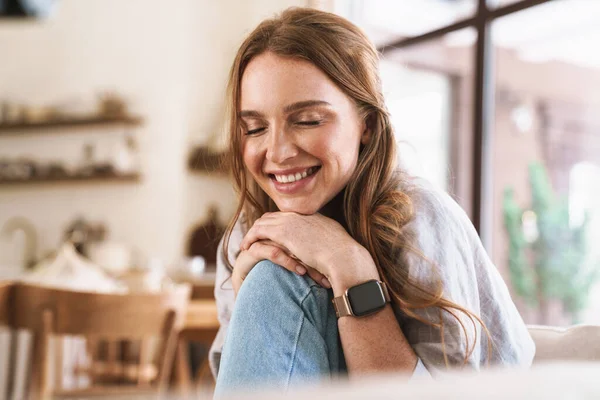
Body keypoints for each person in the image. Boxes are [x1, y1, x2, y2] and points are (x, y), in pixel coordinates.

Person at [208, 7, 535, 397]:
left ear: (366, 125)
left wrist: (351, 270)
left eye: (309, 120)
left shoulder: (420, 219)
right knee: (268, 276)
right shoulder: (247, 234)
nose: (276, 152)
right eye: (255, 128)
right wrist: (249, 303)